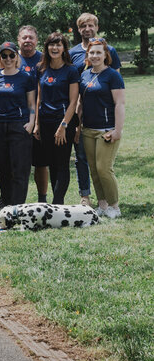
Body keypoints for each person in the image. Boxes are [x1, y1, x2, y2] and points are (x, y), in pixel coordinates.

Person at [69, 13, 121, 205]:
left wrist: (116, 123)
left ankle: (108, 201)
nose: (87, 29)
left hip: (105, 117)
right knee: (82, 158)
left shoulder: (110, 50)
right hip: (83, 114)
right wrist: (76, 121)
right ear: (79, 29)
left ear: (96, 27)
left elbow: (116, 84)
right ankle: (86, 195)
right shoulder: (73, 52)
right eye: (83, 26)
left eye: (91, 25)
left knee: (102, 165)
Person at [77, 38, 125, 218]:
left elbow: (119, 104)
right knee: (94, 171)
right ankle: (102, 205)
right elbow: (80, 103)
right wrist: (77, 127)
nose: (95, 56)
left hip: (107, 130)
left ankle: (114, 206)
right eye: (92, 52)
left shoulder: (113, 75)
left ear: (106, 55)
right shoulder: (84, 75)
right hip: (88, 129)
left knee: (104, 168)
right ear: (87, 55)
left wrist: (117, 130)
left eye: (99, 52)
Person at [0, 42, 37, 207]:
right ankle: (5, 201)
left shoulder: (26, 77)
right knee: (3, 167)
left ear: (17, 57)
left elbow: (32, 104)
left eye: (11, 55)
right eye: (4, 55)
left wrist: (31, 123)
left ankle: (17, 205)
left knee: (19, 169)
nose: (8, 59)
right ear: (0, 58)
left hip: (19, 125)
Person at [34, 33, 79, 205]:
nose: (55, 48)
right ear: (47, 47)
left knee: (61, 163)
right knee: (51, 162)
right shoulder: (41, 69)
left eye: (59, 45)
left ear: (64, 49)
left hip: (63, 122)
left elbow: (73, 101)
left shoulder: (71, 70)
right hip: (45, 122)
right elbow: (39, 97)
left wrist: (64, 126)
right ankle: (55, 201)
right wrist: (37, 124)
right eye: (52, 45)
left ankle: (58, 202)